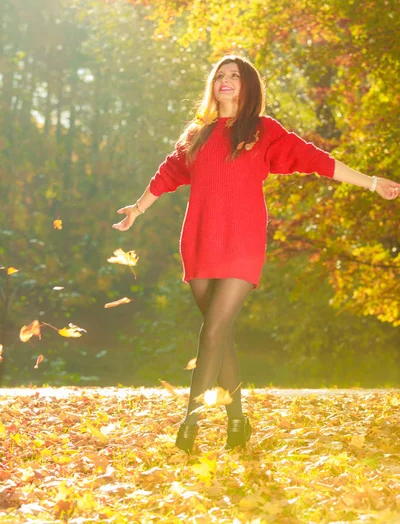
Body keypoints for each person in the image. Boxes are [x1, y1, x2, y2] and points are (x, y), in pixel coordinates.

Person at [113, 55, 399, 454]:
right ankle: (237, 424)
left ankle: (189, 428)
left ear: (248, 87)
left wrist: (370, 183)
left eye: (235, 76)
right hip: (199, 241)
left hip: (242, 242)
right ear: (213, 85)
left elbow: (317, 160)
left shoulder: (264, 132)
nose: (226, 81)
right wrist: (137, 209)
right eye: (221, 76)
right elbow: (168, 173)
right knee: (221, 333)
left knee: (212, 333)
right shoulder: (197, 134)